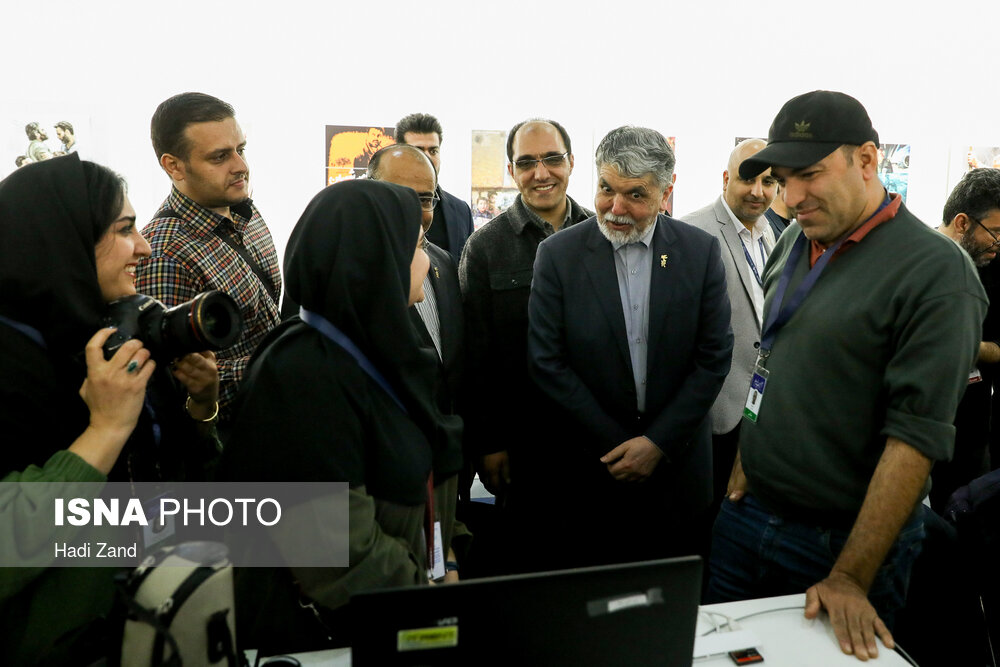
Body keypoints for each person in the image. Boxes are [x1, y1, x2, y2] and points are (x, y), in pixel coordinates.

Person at [708, 90, 987, 661]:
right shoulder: (797, 235)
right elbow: (775, 354)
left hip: (840, 547)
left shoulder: (936, 274)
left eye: (809, 174)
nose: (791, 195)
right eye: (783, 178)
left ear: (866, 160)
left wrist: (852, 576)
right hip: (745, 517)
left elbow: (916, 438)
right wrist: (748, 454)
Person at [219, 179, 463, 652]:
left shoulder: (385, 350)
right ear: (372, 259)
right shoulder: (301, 374)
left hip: (394, 612)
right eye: (414, 246)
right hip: (327, 637)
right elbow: (335, 551)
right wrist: (420, 590)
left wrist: (445, 557)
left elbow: (427, 474)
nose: (429, 263)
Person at [0, 154, 220, 665]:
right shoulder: (13, 366)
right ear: (62, 241)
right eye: (125, 229)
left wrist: (200, 408)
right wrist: (105, 429)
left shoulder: (98, 341)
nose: (143, 247)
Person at [527, 125, 733, 568]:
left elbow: (713, 357)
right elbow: (547, 363)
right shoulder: (558, 256)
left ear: (665, 192)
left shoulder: (698, 254)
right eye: (606, 188)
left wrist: (657, 443)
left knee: (674, 613)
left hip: (676, 475)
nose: (615, 208)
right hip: (592, 472)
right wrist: (621, 445)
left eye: (635, 195)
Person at [458, 118, 592, 573]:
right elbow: (475, 356)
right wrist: (489, 442)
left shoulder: (602, 234)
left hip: (596, 437)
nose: (542, 173)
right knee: (529, 562)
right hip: (523, 444)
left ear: (571, 162)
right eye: (527, 162)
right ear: (512, 171)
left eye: (552, 159)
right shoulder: (485, 247)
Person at [137, 92, 281, 426]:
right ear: (174, 165)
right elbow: (176, 386)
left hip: (278, 418)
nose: (241, 166)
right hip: (231, 446)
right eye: (219, 157)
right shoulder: (164, 255)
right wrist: (284, 365)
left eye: (240, 150)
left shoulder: (246, 210)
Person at [368, 145, 472, 502]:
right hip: (379, 486)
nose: (414, 211)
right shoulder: (348, 278)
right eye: (399, 197)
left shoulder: (444, 263)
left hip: (445, 472)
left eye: (426, 199)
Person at [682, 139, 777, 509]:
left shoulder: (771, 233)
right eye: (747, 179)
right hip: (714, 411)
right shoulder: (693, 232)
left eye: (768, 182)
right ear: (725, 179)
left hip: (758, 407)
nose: (758, 191)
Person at [932, 168, 1000, 509]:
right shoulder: (913, 265)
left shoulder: (992, 268)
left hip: (969, 435)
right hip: (913, 426)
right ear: (962, 223)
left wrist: (968, 348)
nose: (998, 245)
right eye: (996, 233)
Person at [395, 113, 474, 261]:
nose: (427, 157)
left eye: (433, 151)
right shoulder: (382, 205)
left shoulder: (461, 210)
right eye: (418, 150)